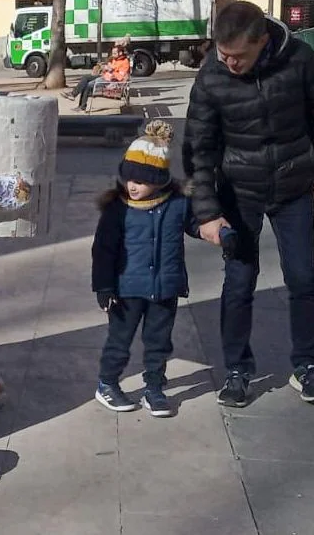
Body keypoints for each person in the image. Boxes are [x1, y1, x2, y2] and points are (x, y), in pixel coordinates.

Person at [183, 0, 314, 408]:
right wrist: (208, 212)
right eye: (224, 55)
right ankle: (237, 370)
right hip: (239, 191)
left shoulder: (299, 59)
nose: (231, 64)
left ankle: (306, 366)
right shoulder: (211, 77)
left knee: (303, 277)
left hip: (292, 186)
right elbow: (198, 148)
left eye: (239, 57)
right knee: (239, 282)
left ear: (264, 41)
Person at [91, 120, 199, 418]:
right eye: (129, 178)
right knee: (119, 341)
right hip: (126, 291)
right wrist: (103, 287)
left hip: (165, 287)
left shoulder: (177, 204)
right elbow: (103, 251)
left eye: (142, 180)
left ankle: (154, 387)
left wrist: (218, 231)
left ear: (161, 179)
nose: (133, 186)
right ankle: (107, 383)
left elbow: (196, 226)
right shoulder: (117, 209)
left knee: (159, 342)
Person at [64, 38, 131, 111]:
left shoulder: (125, 62)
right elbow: (108, 68)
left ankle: (82, 106)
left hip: (110, 81)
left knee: (88, 85)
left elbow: (120, 77)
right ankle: (73, 94)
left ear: (120, 53)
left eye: (114, 53)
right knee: (85, 78)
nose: (113, 55)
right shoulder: (114, 59)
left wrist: (111, 71)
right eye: (112, 53)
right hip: (105, 76)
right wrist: (104, 68)